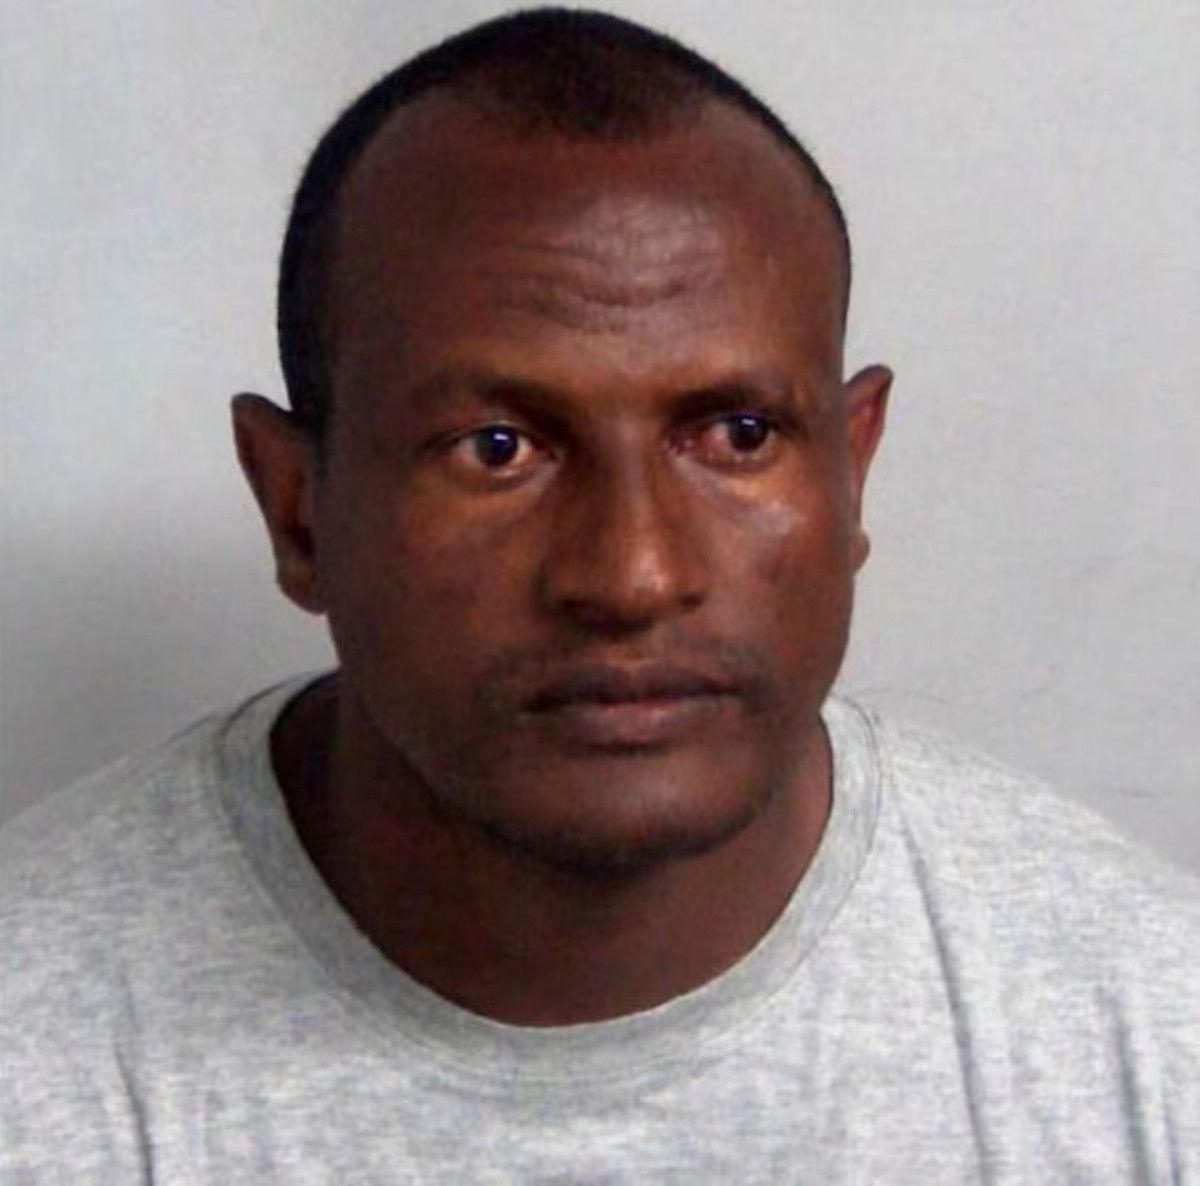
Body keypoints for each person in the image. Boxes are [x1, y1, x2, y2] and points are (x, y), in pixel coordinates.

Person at [2, 8, 1196, 1182]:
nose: (633, 576)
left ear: (853, 468)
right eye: (497, 449)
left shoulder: (1149, 1033)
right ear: (297, 507)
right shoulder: (35, 1047)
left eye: (738, 435)